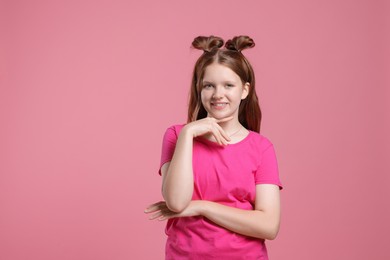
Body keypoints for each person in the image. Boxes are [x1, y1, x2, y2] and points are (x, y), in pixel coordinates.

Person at [144, 35, 283, 259]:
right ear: (199, 88)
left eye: (228, 85)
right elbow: (177, 202)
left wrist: (202, 207)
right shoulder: (177, 136)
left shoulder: (261, 148)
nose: (218, 94)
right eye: (209, 85)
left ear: (244, 90)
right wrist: (189, 133)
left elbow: (268, 225)